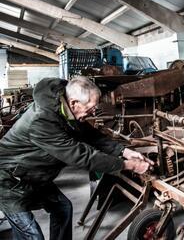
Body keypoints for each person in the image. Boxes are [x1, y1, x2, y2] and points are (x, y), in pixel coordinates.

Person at [0, 76, 154, 240]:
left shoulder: (64, 107)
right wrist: (129, 165)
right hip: (10, 180)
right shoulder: (42, 120)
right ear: (74, 103)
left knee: (63, 208)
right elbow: (82, 156)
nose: (92, 113)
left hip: (33, 175)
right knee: (32, 236)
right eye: (90, 108)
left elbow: (91, 136)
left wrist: (124, 151)